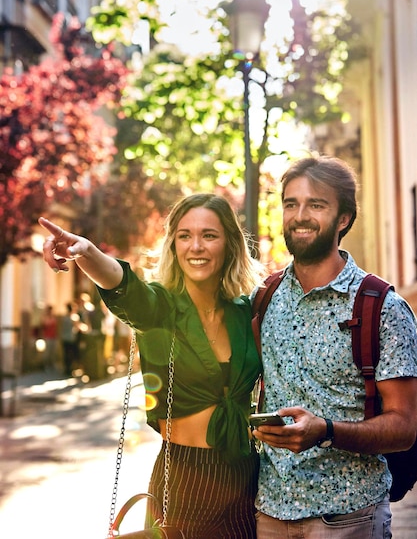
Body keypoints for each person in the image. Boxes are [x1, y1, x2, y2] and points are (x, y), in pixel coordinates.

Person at [38, 193, 265, 539]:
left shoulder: (245, 311)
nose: (196, 246)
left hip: (246, 476)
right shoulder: (160, 307)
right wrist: (87, 252)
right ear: (173, 245)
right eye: (184, 235)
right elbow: (122, 285)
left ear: (230, 244)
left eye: (209, 235)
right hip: (184, 478)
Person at [251, 155, 417, 539]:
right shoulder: (266, 297)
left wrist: (325, 430)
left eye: (316, 204)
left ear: (343, 218)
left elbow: (405, 427)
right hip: (270, 513)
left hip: (349, 517)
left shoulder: (382, 307)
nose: (300, 215)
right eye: (291, 204)